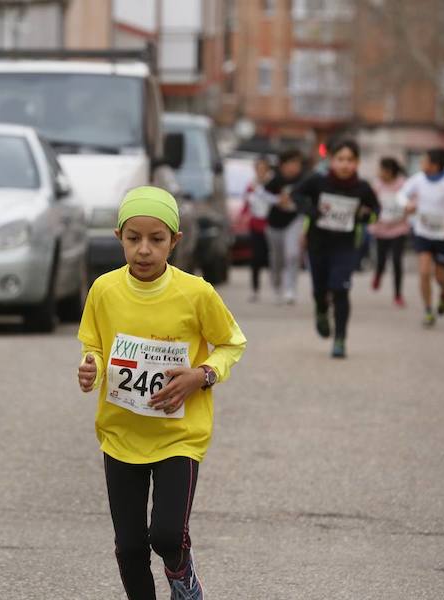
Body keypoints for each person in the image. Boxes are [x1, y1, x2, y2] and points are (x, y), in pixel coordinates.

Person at [77, 186, 246, 600]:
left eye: (157, 239)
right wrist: (92, 368)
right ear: (119, 237)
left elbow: (231, 343)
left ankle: (181, 572)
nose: (144, 250)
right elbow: (95, 345)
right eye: (134, 239)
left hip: (179, 435)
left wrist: (202, 375)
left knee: (166, 535)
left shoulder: (196, 293)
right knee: (131, 547)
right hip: (121, 434)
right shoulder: (104, 289)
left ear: (175, 241)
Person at [295, 139, 379, 358]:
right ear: (332, 160)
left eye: (350, 160)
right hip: (318, 244)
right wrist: (310, 210)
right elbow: (297, 194)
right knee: (320, 289)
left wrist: (365, 216)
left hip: (345, 246)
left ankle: (340, 339)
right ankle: (321, 310)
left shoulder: (362, 188)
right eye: (340, 159)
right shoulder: (318, 181)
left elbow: (375, 211)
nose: (345, 165)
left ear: (357, 163)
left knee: (341, 289)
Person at [400, 148, 444, 328]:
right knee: (424, 272)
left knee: (439, 276)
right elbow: (401, 194)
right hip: (423, 231)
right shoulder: (418, 180)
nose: (421, 164)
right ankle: (428, 310)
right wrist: (408, 205)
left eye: (425, 161)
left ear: (435, 165)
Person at [263, 148, 307, 305]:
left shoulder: (304, 180)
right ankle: (276, 285)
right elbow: (263, 195)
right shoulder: (275, 179)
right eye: (291, 163)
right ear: (282, 165)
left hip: (294, 221)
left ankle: (290, 289)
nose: (294, 167)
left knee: (292, 254)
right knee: (277, 258)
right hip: (274, 224)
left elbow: (309, 198)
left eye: (297, 164)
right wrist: (277, 200)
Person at [368, 157, 409, 307]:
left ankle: (398, 294)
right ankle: (378, 274)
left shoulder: (402, 184)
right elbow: (370, 202)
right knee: (381, 260)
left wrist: (408, 207)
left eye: (383, 170)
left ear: (391, 171)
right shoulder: (377, 185)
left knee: (397, 261)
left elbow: (409, 201)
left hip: (399, 228)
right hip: (381, 228)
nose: (381, 173)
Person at [243, 156, 273, 301]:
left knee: (271, 257)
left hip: (271, 226)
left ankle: (276, 287)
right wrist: (242, 216)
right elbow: (246, 205)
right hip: (255, 226)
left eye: (263, 169)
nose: (261, 172)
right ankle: (255, 289)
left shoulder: (272, 184)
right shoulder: (251, 185)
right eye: (258, 169)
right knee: (255, 258)